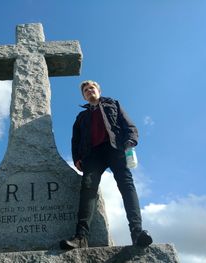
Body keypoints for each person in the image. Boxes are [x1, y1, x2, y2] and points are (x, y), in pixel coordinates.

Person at [60, 80, 153, 249]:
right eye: (86, 90)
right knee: (87, 188)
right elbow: (75, 140)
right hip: (92, 154)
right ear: (84, 96)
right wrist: (77, 158)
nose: (89, 91)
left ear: (99, 91)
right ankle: (81, 237)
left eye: (91, 88)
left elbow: (129, 125)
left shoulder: (114, 105)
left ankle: (137, 232)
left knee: (126, 185)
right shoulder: (81, 117)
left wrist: (130, 142)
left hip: (115, 148)